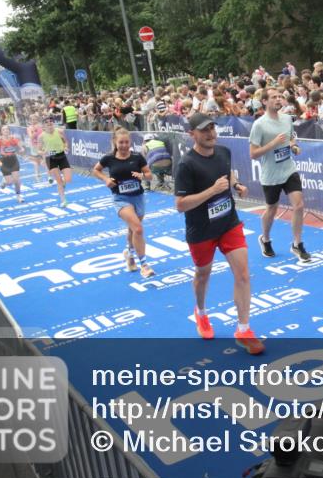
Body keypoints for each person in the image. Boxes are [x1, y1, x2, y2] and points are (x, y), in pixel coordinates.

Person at [175, 112, 262, 353]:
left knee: (243, 274)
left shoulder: (224, 152)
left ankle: (243, 329)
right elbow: (180, 205)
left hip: (228, 223)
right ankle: (201, 312)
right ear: (192, 134)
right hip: (201, 230)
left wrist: (235, 185)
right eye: (204, 130)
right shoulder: (186, 164)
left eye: (212, 128)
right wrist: (211, 191)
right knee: (203, 275)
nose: (210, 133)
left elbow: (227, 172)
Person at [249, 89, 311, 262]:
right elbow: (253, 154)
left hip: (288, 169)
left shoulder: (286, 118)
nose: (278, 99)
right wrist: (273, 144)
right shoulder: (259, 125)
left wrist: (294, 146)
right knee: (272, 209)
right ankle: (265, 239)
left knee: (298, 206)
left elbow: (291, 138)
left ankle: (297, 244)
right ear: (264, 102)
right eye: (274, 97)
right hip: (270, 174)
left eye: (280, 96)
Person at [93, 127, 155, 279]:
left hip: (138, 197)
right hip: (121, 199)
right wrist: (106, 179)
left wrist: (142, 175)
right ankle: (144, 265)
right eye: (121, 142)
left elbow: (149, 175)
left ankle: (129, 253)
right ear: (115, 142)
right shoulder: (109, 158)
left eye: (126, 142)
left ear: (130, 142)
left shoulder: (137, 157)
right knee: (138, 229)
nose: (124, 145)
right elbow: (96, 170)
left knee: (132, 230)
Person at [39, 118, 72, 206]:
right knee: (59, 181)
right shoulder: (41, 136)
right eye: (46, 123)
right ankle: (63, 200)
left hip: (61, 156)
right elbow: (39, 149)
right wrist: (43, 152)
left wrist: (65, 147)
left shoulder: (60, 131)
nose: (49, 124)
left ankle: (63, 184)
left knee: (68, 179)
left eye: (51, 122)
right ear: (44, 126)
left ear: (53, 123)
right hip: (50, 158)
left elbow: (66, 142)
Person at [0, 125, 25, 203]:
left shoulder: (13, 139)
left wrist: (22, 150)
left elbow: (21, 147)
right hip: (4, 161)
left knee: (17, 180)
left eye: (7, 129)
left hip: (13, 160)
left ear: (9, 131)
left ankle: (18, 196)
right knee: (9, 182)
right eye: (4, 130)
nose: (6, 131)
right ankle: (5, 181)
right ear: (1, 132)